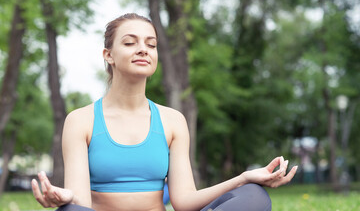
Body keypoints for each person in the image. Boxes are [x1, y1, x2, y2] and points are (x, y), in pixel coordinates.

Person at [31, 13, 298, 211]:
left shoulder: (172, 121)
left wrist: (243, 178)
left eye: (151, 43)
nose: (143, 49)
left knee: (253, 196)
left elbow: (183, 201)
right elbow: (81, 203)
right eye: (130, 43)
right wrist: (65, 199)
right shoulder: (80, 120)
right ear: (108, 54)